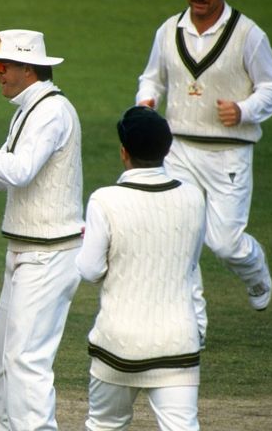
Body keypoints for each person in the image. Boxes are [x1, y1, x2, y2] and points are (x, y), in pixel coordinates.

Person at [0, 29, 83, 430]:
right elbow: (1, 177)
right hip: (27, 251)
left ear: (28, 68)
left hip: (48, 254)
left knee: (25, 362)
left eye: (1, 65)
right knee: (0, 360)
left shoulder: (50, 112)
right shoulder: (30, 108)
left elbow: (19, 172)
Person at [135, 0, 272, 342]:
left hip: (228, 152)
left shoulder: (248, 34)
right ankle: (194, 329)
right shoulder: (169, 29)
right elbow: (151, 78)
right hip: (178, 148)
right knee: (180, 237)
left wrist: (245, 110)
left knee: (225, 243)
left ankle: (255, 272)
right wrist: (146, 101)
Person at [76, 106, 206, 430]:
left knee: (104, 425)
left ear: (124, 152)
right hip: (177, 343)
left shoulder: (105, 201)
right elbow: (189, 262)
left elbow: (89, 270)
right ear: (167, 149)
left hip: (118, 342)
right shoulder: (194, 197)